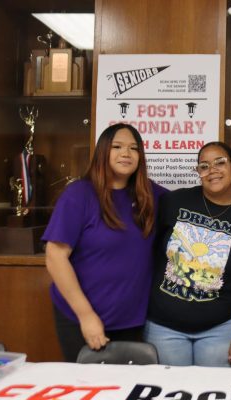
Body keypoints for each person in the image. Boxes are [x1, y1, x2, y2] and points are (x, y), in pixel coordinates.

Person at [43, 123, 166, 362]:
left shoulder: (150, 195)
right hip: (80, 317)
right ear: (103, 152)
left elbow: (193, 203)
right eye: (117, 147)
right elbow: (55, 257)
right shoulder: (79, 194)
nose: (126, 154)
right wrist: (86, 315)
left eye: (133, 148)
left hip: (132, 319)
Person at [145, 141, 231, 367]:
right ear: (198, 172)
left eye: (220, 163)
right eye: (204, 166)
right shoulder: (173, 202)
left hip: (221, 329)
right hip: (163, 327)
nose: (213, 171)